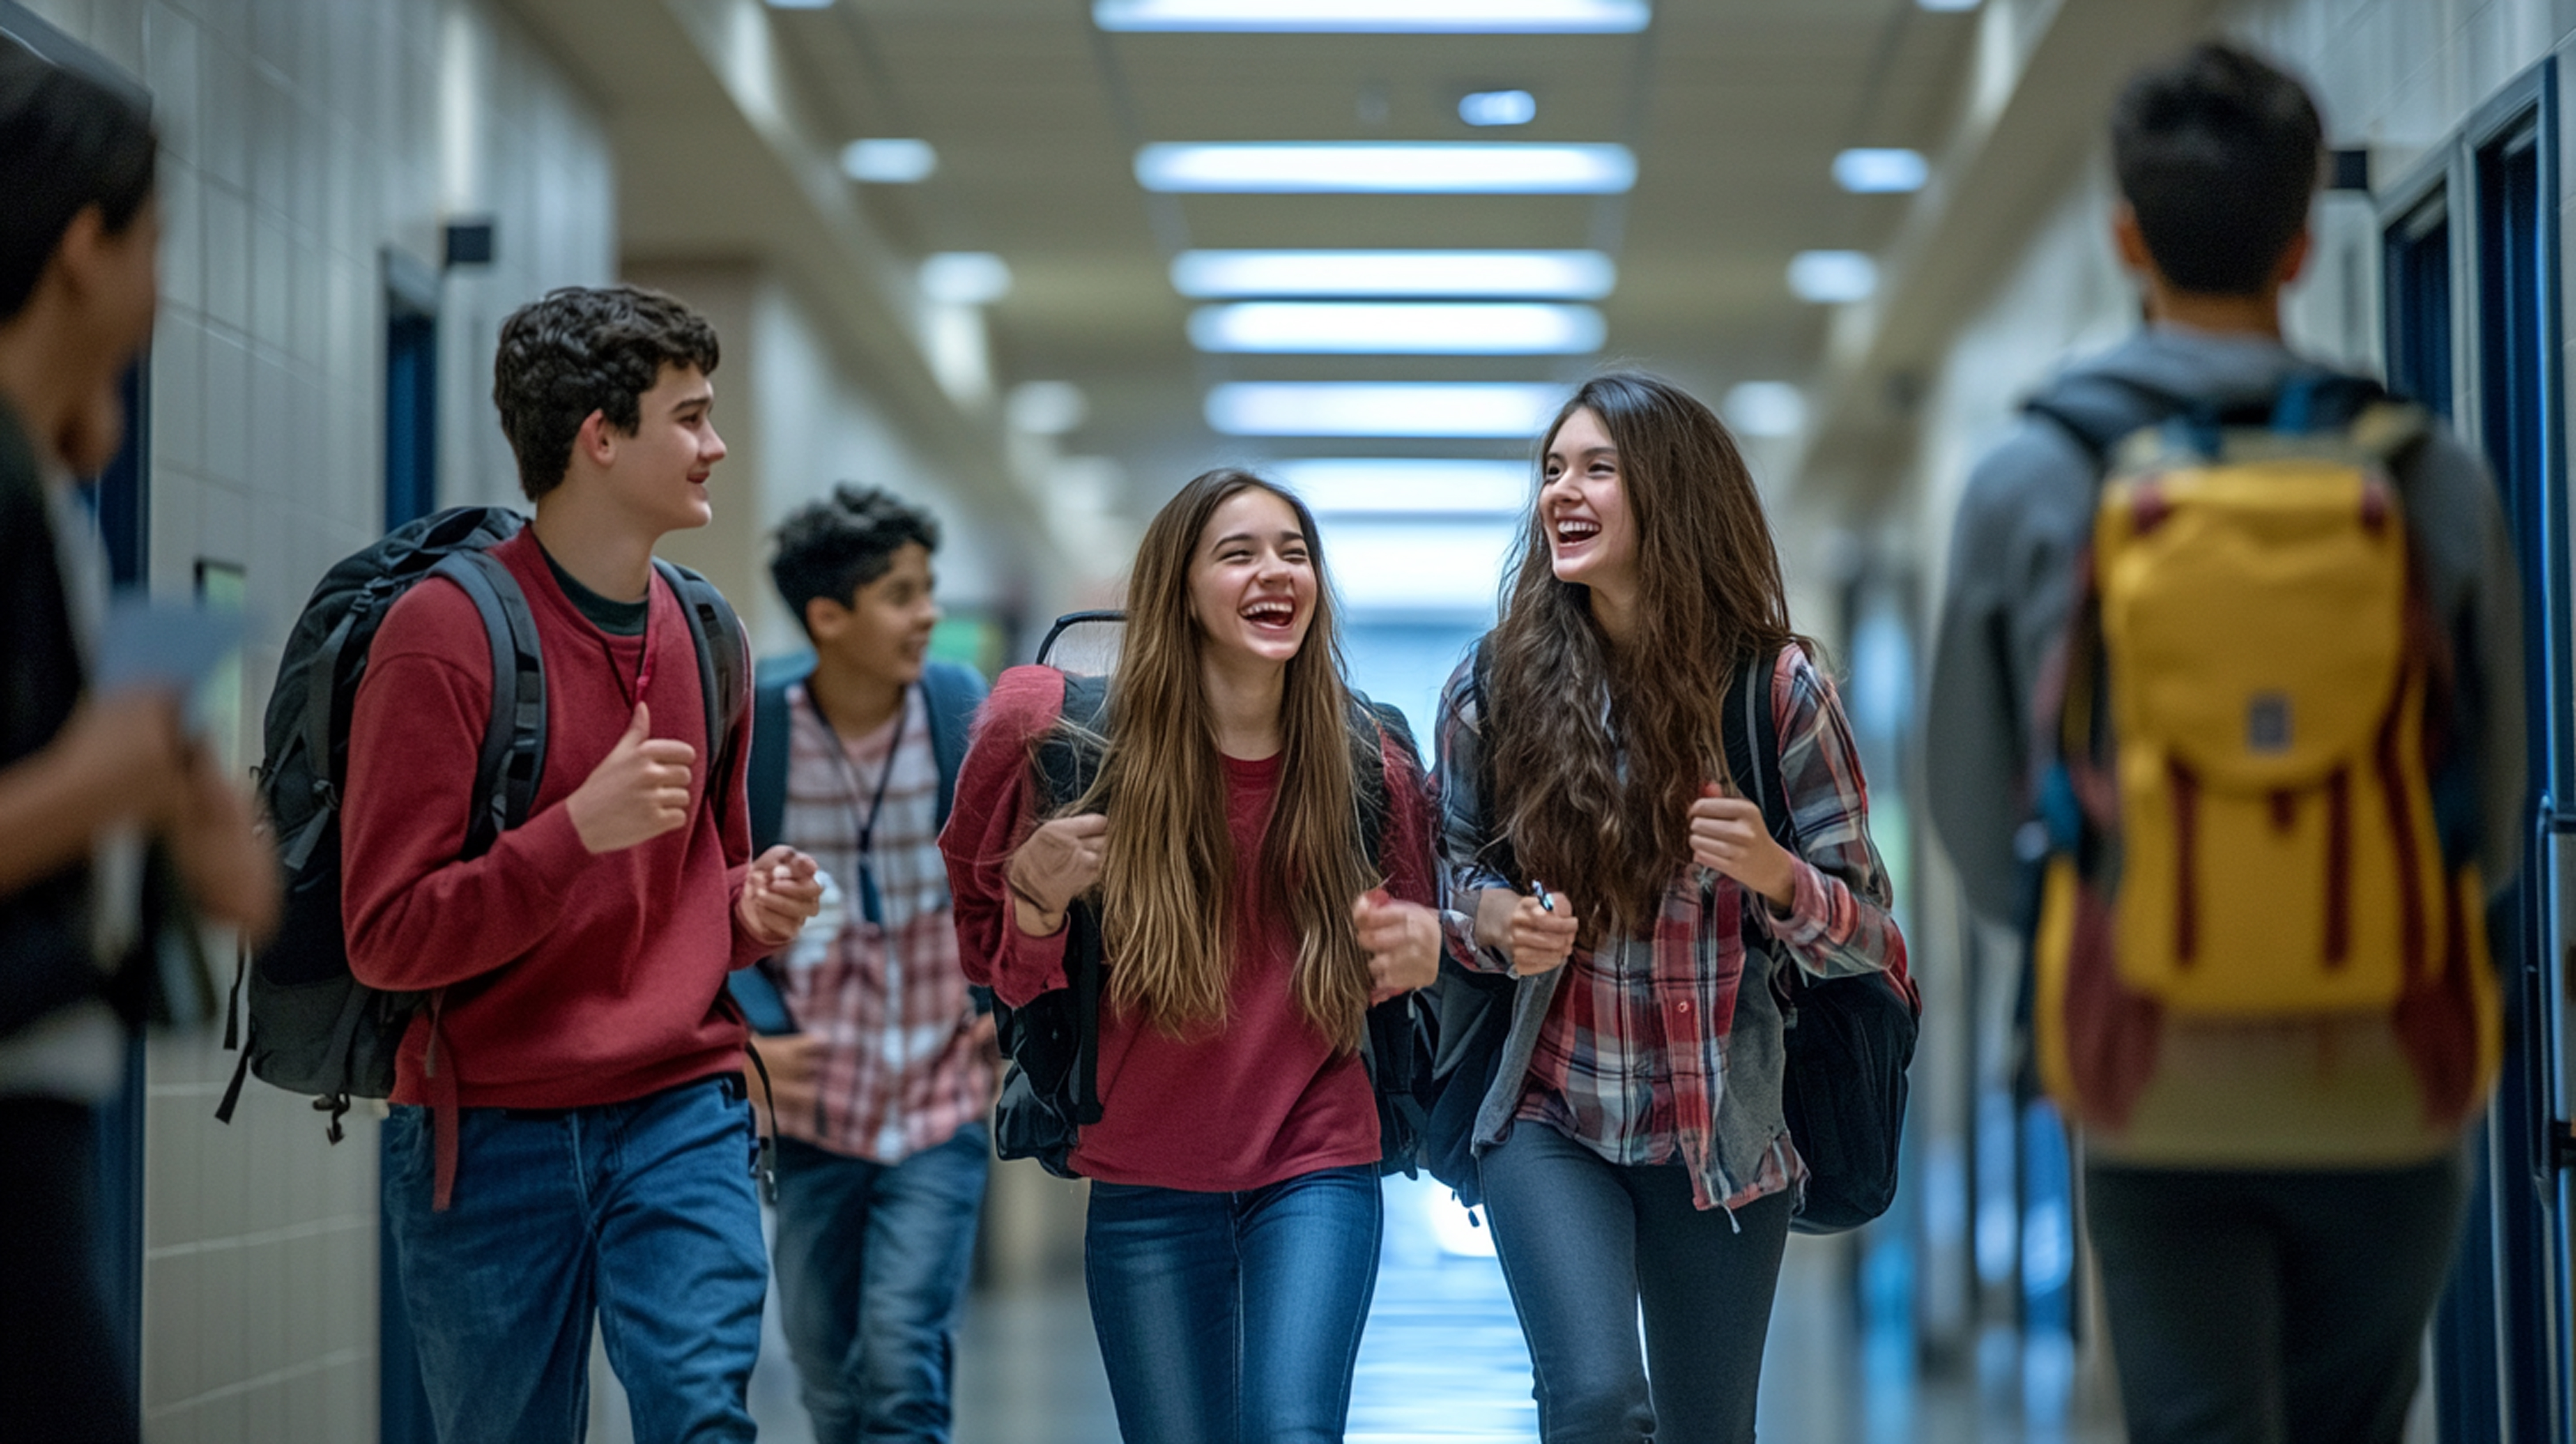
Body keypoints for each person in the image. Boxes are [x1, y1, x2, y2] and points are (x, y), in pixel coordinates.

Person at [1924, 43, 2524, 1444]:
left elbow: (1967, 802)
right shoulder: (2425, 473)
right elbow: (2490, 809)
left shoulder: (2031, 478)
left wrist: (2097, 917)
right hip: (2384, 1050)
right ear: (2305, 242)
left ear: (2126, 237)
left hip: (2147, 1066)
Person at [339, 284, 823, 1443]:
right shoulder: (443, 639)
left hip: (680, 1106)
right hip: (487, 1129)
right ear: (600, 438)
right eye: (690, 417)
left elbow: (695, 889)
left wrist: (749, 910)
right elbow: (388, 935)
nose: (716, 446)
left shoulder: (712, 638)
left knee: (704, 1416)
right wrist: (569, 837)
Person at [1434, 371, 1906, 1444]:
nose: (1563, 490)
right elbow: (1447, 877)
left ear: (1670, 494)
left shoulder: (1778, 691)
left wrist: (1778, 878)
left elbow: (1872, 933)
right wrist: (1493, 919)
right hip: (1550, 1117)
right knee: (1596, 1401)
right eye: (1552, 470)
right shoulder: (1492, 686)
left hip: (1724, 1137)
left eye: (1596, 468)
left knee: (1708, 1428)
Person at [941, 468, 1443, 1444]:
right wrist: (1038, 904)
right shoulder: (1080, 752)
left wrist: (1421, 953)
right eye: (1239, 553)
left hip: (1316, 1161)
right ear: (1179, 590)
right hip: (1143, 1176)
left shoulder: (1365, 760)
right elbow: (998, 974)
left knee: (1290, 1430)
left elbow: (1423, 961)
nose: (1276, 572)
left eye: (1294, 553)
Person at [0, 40, 277, 1444]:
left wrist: (168, 832)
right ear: (84, 246)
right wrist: (108, 778)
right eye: (156, 243)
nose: (166, 289)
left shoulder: (47, 477)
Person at [744, 484, 995, 1444]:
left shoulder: (954, 706)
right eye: (901, 594)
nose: (928, 613)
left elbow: (1000, 868)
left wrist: (1000, 1000)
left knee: (902, 1359)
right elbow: (709, 895)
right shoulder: (762, 729)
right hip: (815, 1098)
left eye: (927, 587)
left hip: (939, 1089)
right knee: (823, 1363)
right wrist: (748, 1034)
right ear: (827, 617)